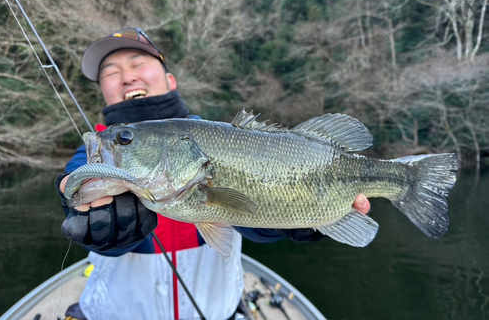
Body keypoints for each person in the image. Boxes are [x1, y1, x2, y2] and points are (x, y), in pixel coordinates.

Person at [56, 28, 371, 320]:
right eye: (110, 73)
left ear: (171, 79)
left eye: (138, 63)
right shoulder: (99, 154)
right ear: (103, 92)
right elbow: (76, 187)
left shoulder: (220, 140)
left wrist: (288, 224)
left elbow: (249, 224)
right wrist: (87, 214)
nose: (126, 77)